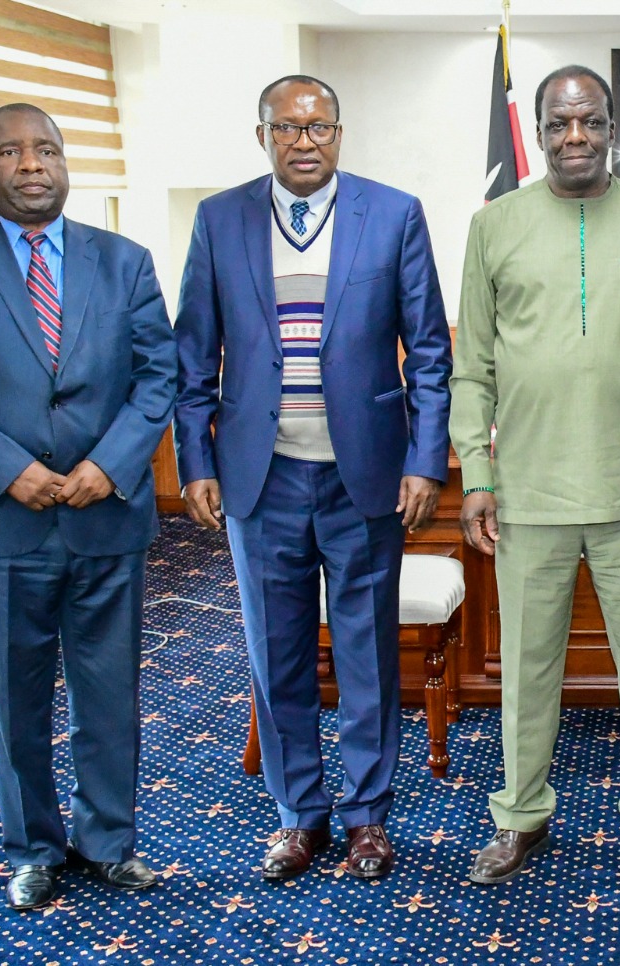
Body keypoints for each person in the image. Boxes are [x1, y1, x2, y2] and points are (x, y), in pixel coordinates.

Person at [172, 74, 453, 882]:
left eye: (320, 127)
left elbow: (429, 352)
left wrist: (423, 459)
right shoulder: (219, 220)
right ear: (260, 134)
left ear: (340, 132)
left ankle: (367, 817)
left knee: (368, 655)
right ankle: (300, 815)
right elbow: (194, 354)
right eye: (288, 128)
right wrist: (195, 458)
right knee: (277, 654)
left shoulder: (392, 213)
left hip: (363, 474)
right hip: (260, 480)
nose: (305, 141)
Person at [0, 103, 176, 910]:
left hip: (103, 510)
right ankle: (32, 848)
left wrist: (111, 464)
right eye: (10, 152)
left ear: (65, 162)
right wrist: (12, 468)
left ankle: (109, 841)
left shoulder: (123, 260)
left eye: (45, 149)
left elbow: (158, 374)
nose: (30, 165)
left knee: (109, 689)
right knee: (13, 694)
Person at [452, 65, 620, 885]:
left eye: (590, 123)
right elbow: (473, 369)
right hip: (529, 489)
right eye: (559, 123)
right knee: (527, 667)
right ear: (539, 128)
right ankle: (522, 814)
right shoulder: (494, 227)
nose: (574, 137)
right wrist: (477, 474)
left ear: (612, 131)